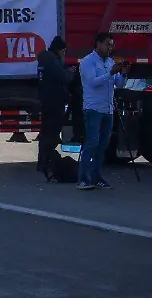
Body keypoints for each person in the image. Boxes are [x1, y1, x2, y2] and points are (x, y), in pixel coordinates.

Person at [77, 32, 128, 190]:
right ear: (98, 44)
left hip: (108, 109)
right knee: (92, 143)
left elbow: (118, 84)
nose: (110, 48)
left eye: (112, 45)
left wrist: (123, 73)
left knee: (103, 144)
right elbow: (93, 82)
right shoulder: (88, 61)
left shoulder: (110, 61)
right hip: (93, 108)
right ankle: (83, 179)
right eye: (107, 44)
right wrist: (110, 73)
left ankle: (97, 177)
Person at [36, 36, 71, 181]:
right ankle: (46, 161)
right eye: (64, 51)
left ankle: (42, 161)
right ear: (61, 49)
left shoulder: (44, 59)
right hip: (55, 101)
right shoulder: (52, 61)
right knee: (52, 132)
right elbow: (64, 78)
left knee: (46, 132)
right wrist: (70, 72)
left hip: (46, 100)